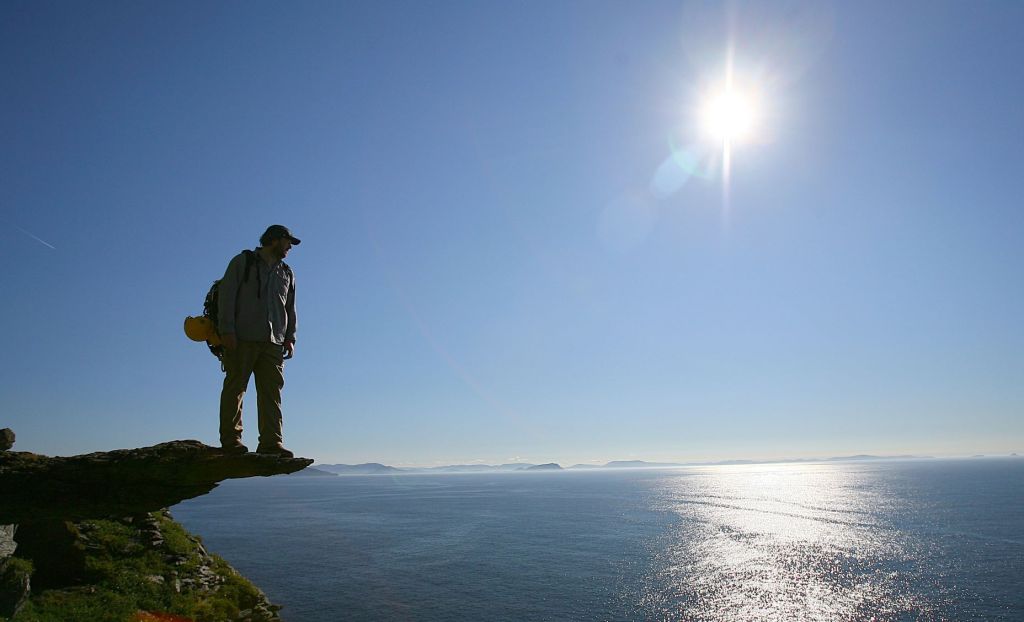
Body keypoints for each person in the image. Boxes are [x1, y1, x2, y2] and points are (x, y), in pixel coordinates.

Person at [217, 225, 299, 457]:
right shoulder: (242, 263)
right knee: (235, 388)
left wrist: (290, 338)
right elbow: (227, 296)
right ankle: (232, 441)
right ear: (274, 240)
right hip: (242, 338)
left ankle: (271, 443)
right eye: (288, 242)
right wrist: (227, 330)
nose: (290, 247)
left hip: (274, 342)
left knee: (271, 393)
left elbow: (290, 309)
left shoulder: (287, 272)